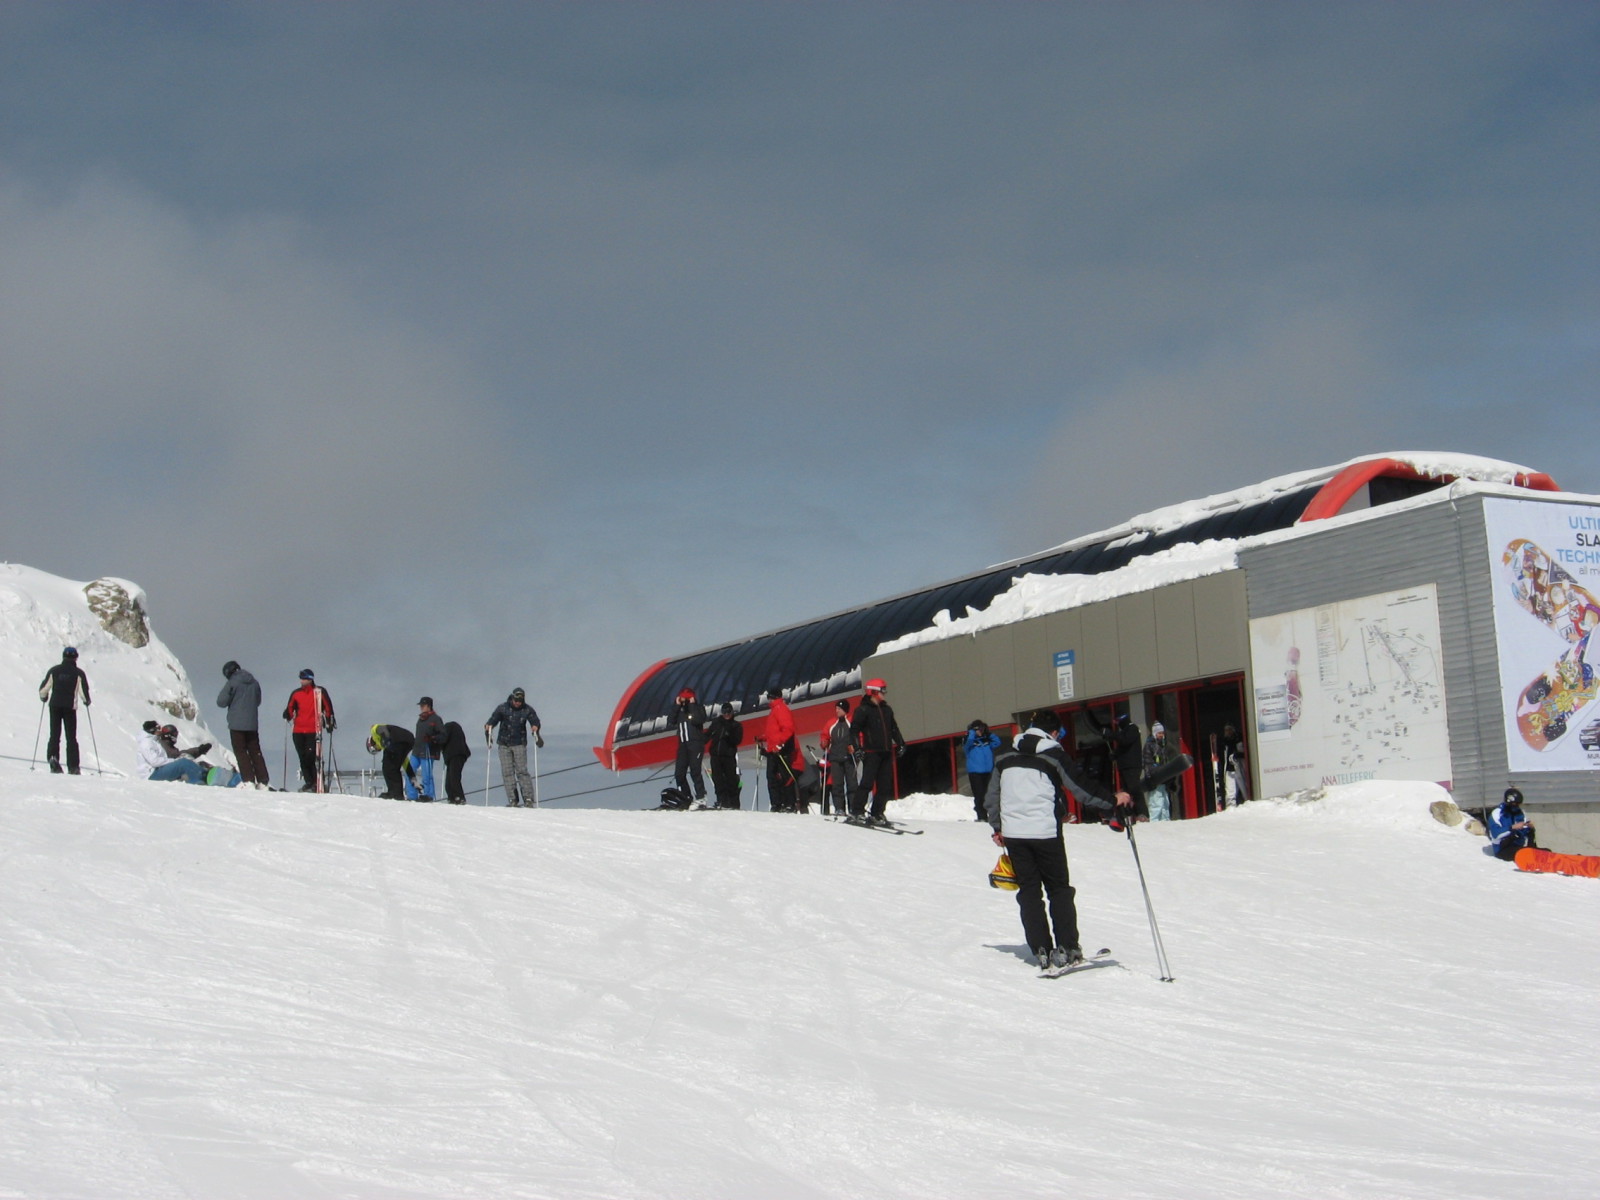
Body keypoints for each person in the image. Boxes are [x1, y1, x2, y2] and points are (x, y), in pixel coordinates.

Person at [986, 710, 1132, 972]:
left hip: (1015, 835)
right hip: (1045, 833)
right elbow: (1081, 787)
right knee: (1058, 890)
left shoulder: (1004, 754)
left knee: (1029, 891)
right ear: (1054, 733)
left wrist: (997, 826)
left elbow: (993, 794)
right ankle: (1068, 947)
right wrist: (1112, 800)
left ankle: (1041, 949)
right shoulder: (1054, 754)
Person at [848, 678, 906, 826]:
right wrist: (858, 748)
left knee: (885, 785)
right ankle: (857, 811)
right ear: (873, 692)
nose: (884, 694)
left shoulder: (887, 710)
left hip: (886, 752)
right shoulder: (863, 710)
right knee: (867, 783)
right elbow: (854, 731)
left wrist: (900, 743)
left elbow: (893, 728)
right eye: (882, 690)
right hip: (871, 752)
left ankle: (877, 813)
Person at [485, 688, 543, 807]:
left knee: (522, 771)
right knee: (507, 772)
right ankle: (513, 799)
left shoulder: (527, 709)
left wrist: (535, 726)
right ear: (512, 698)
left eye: (520, 701)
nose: (518, 703)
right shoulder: (503, 708)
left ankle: (528, 798)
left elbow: (535, 720)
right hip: (504, 744)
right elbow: (494, 719)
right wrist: (489, 725)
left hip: (519, 744)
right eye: (516, 700)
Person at [216, 660, 270, 788]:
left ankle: (248, 780)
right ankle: (263, 780)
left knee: (241, 751)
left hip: (236, 724)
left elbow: (221, 702)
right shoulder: (254, 682)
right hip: (252, 724)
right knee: (255, 750)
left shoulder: (232, 683)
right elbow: (258, 701)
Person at [38, 646, 90, 774]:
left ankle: (53, 759)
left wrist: (44, 698)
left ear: (63, 656)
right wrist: (86, 701)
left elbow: (43, 689)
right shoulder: (79, 673)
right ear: (76, 658)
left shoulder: (54, 670)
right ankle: (73, 767)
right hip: (69, 707)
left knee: (54, 735)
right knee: (71, 737)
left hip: (54, 705)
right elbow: (83, 692)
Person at [282, 670, 336, 792]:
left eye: (304, 678)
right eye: (301, 678)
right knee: (303, 757)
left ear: (310, 679)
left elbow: (328, 707)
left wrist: (329, 721)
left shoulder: (319, 692)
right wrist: (287, 714)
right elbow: (290, 708)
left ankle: (318, 782)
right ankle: (309, 782)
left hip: (313, 729)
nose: (302, 681)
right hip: (298, 730)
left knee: (313, 756)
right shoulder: (296, 693)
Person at [1090, 709, 1145, 820]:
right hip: (1124, 765)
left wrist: (1112, 735)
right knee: (1127, 791)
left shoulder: (1132, 728)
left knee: (1134, 789)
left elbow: (1125, 741)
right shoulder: (1124, 731)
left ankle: (1142, 812)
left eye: (1118, 721)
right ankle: (1130, 813)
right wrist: (1114, 754)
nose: (1117, 723)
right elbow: (1122, 747)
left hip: (1132, 765)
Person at [760, 695, 804, 813]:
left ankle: (788, 803)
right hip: (773, 749)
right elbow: (773, 732)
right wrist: (763, 738)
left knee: (784, 777)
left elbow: (788, 729)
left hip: (780, 749)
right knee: (773, 777)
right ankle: (777, 803)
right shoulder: (775, 710)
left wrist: (780, 743)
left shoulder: (780, 709)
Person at [134, 719, 208, 785]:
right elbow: (154, 761)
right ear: (152, 730)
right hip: (151, 774)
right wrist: (173, 761)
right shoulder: (146, 743)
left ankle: (203, 775)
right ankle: (197, 780)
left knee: (184, 762)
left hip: (157, 771)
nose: (160, 730)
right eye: (158, 728)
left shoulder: (154, 742)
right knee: (183, 763)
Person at [670, 687, 710, 804]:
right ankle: (685, 796)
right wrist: (677, 705)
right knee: (679, 773)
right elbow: (671, 720)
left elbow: (698, 720)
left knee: (695, 771)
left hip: (695, 743)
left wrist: (692, 705)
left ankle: (701, 796)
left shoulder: (698, 708)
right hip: (683, 744)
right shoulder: (679, 711)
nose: (685, 700)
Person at [962, 719, 1003, 823]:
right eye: (978, 729)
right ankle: (982, 816)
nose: (980, 731)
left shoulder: (986, 740)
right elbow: (968, 742)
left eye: (982, 729)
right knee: (979, 795)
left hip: (988, 771)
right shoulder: (969, 742)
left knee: (991, 794)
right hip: (975, 772)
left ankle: (994, 815)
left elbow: (998, 742)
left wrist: (988, 733)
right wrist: (971, 732)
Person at [822, 700, 857, 817]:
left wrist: (856, 747)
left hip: (849, 757)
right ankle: (839, 808)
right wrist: (824, 742)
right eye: (836, 708)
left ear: (845, 710)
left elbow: (859, 735)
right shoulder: (832, 723)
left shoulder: (851, 721)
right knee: (837, 784)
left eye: (839, 709)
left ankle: (853, 808)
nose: (837, 711)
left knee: (852, 784)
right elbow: (825, 734)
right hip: (835, 757)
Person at [705, 703, 744, 808]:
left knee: (731, 780)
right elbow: (708, 735)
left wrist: (729, 734)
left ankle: (734, 803)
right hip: (716, 756)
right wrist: (699, 742)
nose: (726, 715)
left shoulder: (736, 725)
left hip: (728, 756)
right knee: (718, 780)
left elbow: (737, 740)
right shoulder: (716, 723)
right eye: (724, 712)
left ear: (732, 713)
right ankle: (722, 801)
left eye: (728, 712)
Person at [1141, 721, 1182, 821]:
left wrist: (1170, 779)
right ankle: (1155, 823)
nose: (1161, 735)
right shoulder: (1149, 746)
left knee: (1165, 804)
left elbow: (1166, 762)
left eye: (1162, 733)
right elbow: (1147, 763)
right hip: (1155, 780)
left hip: (1163, 780)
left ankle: (1165, 823)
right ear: (1155, 733)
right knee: (1157, 803)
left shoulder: (1163, 746)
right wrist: (1152, 775)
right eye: (1159, 733)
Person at [407, 696, 445, 802]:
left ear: (428, 706)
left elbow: (443, 735)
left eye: (422, 706)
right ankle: (412, 795)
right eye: (420, 706)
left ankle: (428, 795)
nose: (421, 707)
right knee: (409, 771)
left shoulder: (436, 719)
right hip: (416, 750)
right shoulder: (421, 719)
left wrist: (432, 738)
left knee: (426, 775)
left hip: (428, 751)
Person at [366, 723, 416, 800]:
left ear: (371, 744)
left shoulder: (374, 731)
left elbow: (382, 730)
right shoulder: (386, 744)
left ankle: (394, 793)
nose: (378, 749)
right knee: (395, 766)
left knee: (387, 766)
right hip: (409, 740)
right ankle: (397, 794)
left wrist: (387, 741)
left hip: (395, 740)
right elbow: (405, 762)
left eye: (375, 749)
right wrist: (412, 777)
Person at [1488, 787, 1538, 861]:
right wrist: (1512, 827)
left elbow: (1524, 830)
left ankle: (1535, 853)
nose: (1516, 806)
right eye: (1515, 804)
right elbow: (1495, 834)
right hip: (1502, 849)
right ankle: (1531, 858)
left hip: (1517, 846)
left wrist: (1529, 827)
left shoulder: (1520, 813)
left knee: (1544, 850)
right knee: (1522, 853)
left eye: (1518, 804)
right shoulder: (1497, 813)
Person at [441, 720, 472, 805]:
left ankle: (458, 797)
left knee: (453, 777)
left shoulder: (448, 727)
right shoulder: (453, 727)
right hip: (458, 754)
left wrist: (434, 740)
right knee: (451, 779)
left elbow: (442, 739)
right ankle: (453, 797)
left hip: (455, 754)